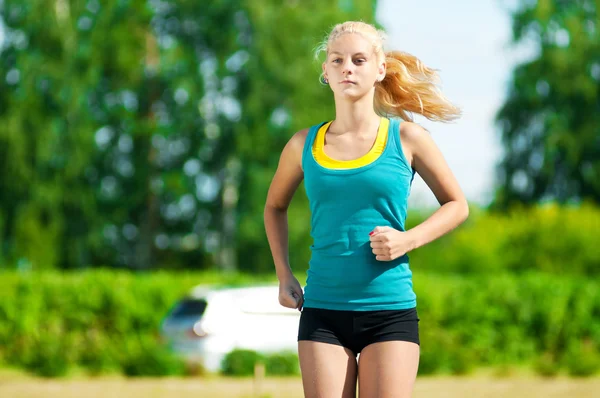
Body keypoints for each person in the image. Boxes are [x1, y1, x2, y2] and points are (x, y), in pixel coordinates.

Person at [263, 20, 469, 398]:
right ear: (325, 72)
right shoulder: (302, 145)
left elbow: (457, 205)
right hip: (322, 310)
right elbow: (274, 206)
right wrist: (283, 273)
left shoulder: (406, 138)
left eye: (359, 60)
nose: (347, 67)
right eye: (337, 60)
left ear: (380, 69)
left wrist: (407, 240)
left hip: (389, 311)